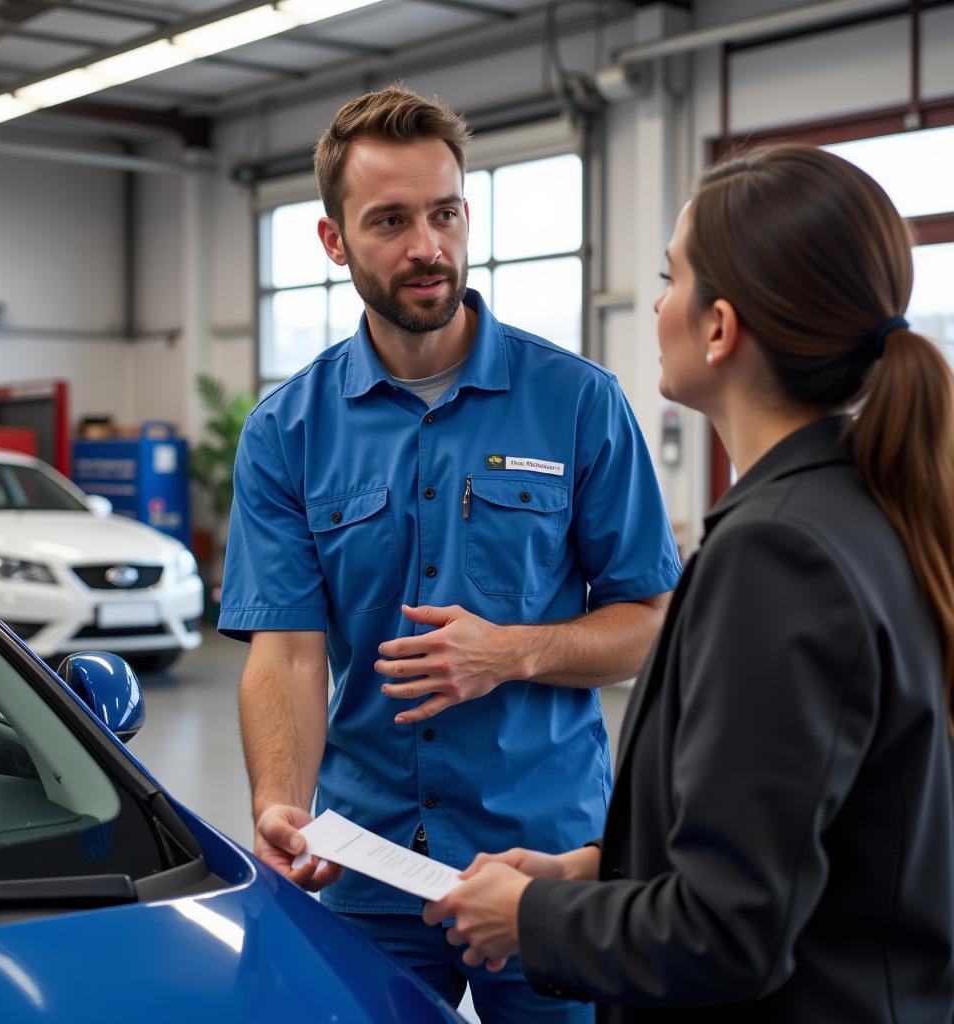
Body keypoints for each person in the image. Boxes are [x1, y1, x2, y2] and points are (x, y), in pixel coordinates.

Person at [424, 143, 954, 1022]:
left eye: (671, 278)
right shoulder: (867, 511)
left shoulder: (779, 555)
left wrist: (535, 916)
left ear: (718, 327)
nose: (658, 303)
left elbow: (729, 930)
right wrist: (587, 872)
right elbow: (793, 838)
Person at [218, 85, 681, 1022]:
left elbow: (653, 622)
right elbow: (290, 649)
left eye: (446, 212)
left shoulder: (580, 404)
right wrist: (281, 803)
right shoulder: (287, 432)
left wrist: (513, 651)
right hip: (367, 859)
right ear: (334, 241)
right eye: (390, 220)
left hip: (543, 858)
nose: (428, 245)